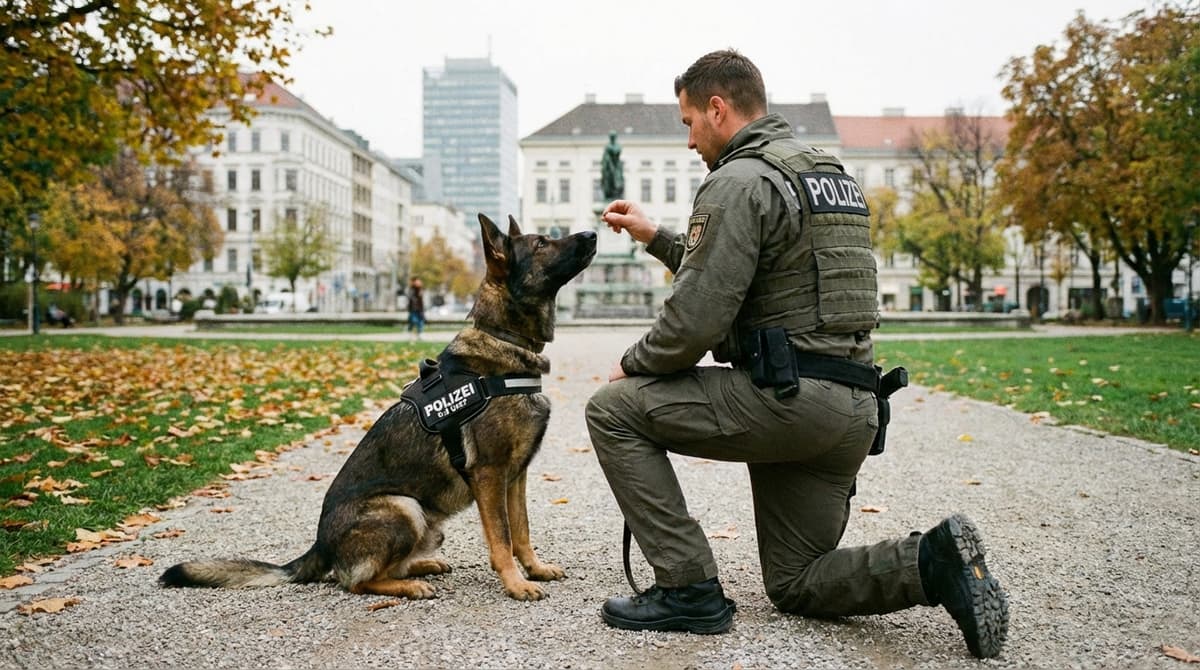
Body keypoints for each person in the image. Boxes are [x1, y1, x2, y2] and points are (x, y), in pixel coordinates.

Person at [585, 49, 1008, 658]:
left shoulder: (735, 180)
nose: (688, 142)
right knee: (796, 580)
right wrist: (658, 238)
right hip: (853, 410)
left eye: (687, 124)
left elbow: (696, 319)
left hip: (788, 404)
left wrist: (633, 362)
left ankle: (687, 590)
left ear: (717, 107)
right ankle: (930, 562)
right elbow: (751, 277)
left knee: (612, 409)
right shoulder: (827, 172)